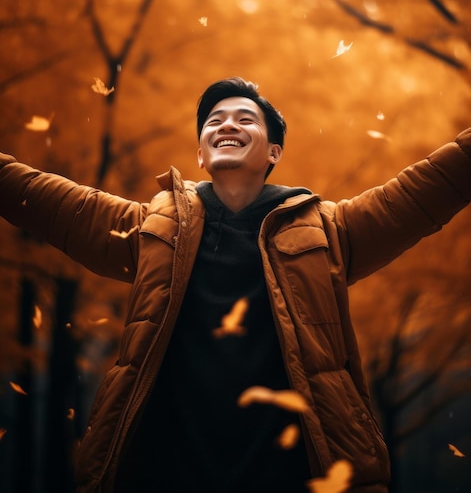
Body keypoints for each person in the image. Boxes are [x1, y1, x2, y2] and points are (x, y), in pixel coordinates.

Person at [0, 77, 470, 493]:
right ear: (200, 154)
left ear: (273, 153)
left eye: (245, 118)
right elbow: (47, 201)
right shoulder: (151, 229)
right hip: (161, 473)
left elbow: (426, 188)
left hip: (297, 474)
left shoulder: (330, 231)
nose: (226, 124)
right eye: (213, 121)